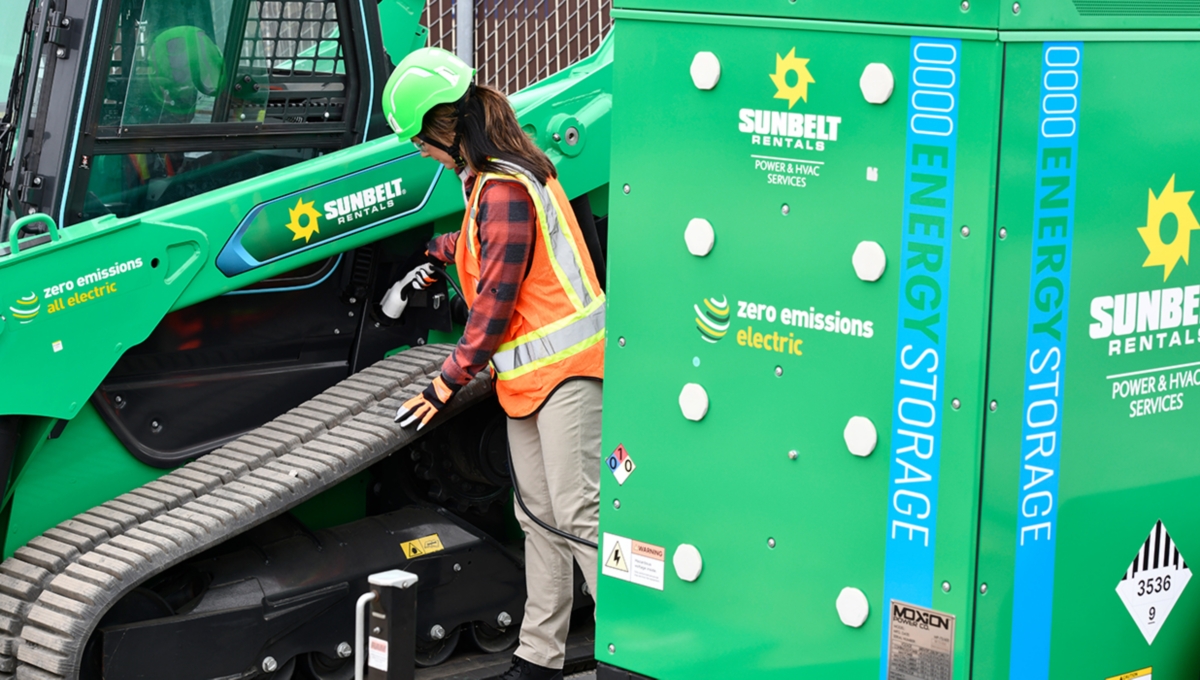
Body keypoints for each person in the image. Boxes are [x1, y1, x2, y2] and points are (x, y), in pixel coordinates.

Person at [381, 47, 605, 680]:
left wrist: (445, 383)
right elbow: (487, 244)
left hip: (568, 373)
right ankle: (538, 658)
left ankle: (633, 648)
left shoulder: (505, 185)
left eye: (418, 140)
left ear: (442, 127)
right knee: (538, 519)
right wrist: (440, 251)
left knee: (579, 515)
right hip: (528, 381)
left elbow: (498, 303)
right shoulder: (488, 183)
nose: (418, 151)